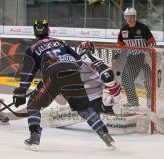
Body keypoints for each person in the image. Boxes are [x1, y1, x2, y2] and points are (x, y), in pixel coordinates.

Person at [13, 19, 121, 150]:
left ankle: (35, 136)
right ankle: (106, 136)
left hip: (53, 76)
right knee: (84, 108)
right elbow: (79, 61)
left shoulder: (32, 48)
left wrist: (21, 92)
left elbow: (27, 74)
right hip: (73, 74)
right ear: (48, 30)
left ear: (35, 33)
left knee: (33, 104)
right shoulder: (60, 42)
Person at [117, 7, 156, 110]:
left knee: (148, 82)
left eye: (131, 17)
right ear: (125, 17)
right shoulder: (123, 30)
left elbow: (152, 42)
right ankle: (133, 102)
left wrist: (146, 54)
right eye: (127, 17)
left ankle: (150, 102)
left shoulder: (143, 28)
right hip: (132, 58)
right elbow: (120, 44)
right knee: (125, 79)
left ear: (135, 17)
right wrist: (117, 56)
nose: (129, 19)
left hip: (145, 57)